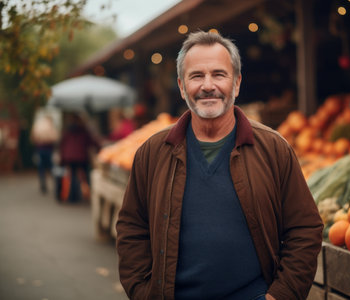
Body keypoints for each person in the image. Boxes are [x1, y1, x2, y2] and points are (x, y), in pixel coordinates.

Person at [116, 31, 323, 300]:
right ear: (181, 86)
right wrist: (145, 293)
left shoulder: (274, 149)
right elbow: (132, 228)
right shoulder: (153, 153)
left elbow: (304, 229)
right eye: (197, 76)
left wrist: (279, 296)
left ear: (236, 83)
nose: (208, 85)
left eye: (219, 74)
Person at [59, 113, 100, 203]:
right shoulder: (83, 130)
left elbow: (62, 144)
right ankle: (85, 194)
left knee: (73, 175)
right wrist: (99, 147)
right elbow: (91, 142)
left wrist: (62, 158)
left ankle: (73, 196)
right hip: (81, 156)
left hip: (69, 157)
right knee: (84, 175)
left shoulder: (67, 131)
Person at [30, 114, 59, 194]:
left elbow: (33, 137)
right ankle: (56, 184)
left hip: (40, 149)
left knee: (41, 167)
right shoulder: (51, 125)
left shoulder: (38, 125)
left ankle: (43, 184)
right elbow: (56, 137)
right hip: (49, 149)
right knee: (51, 167)